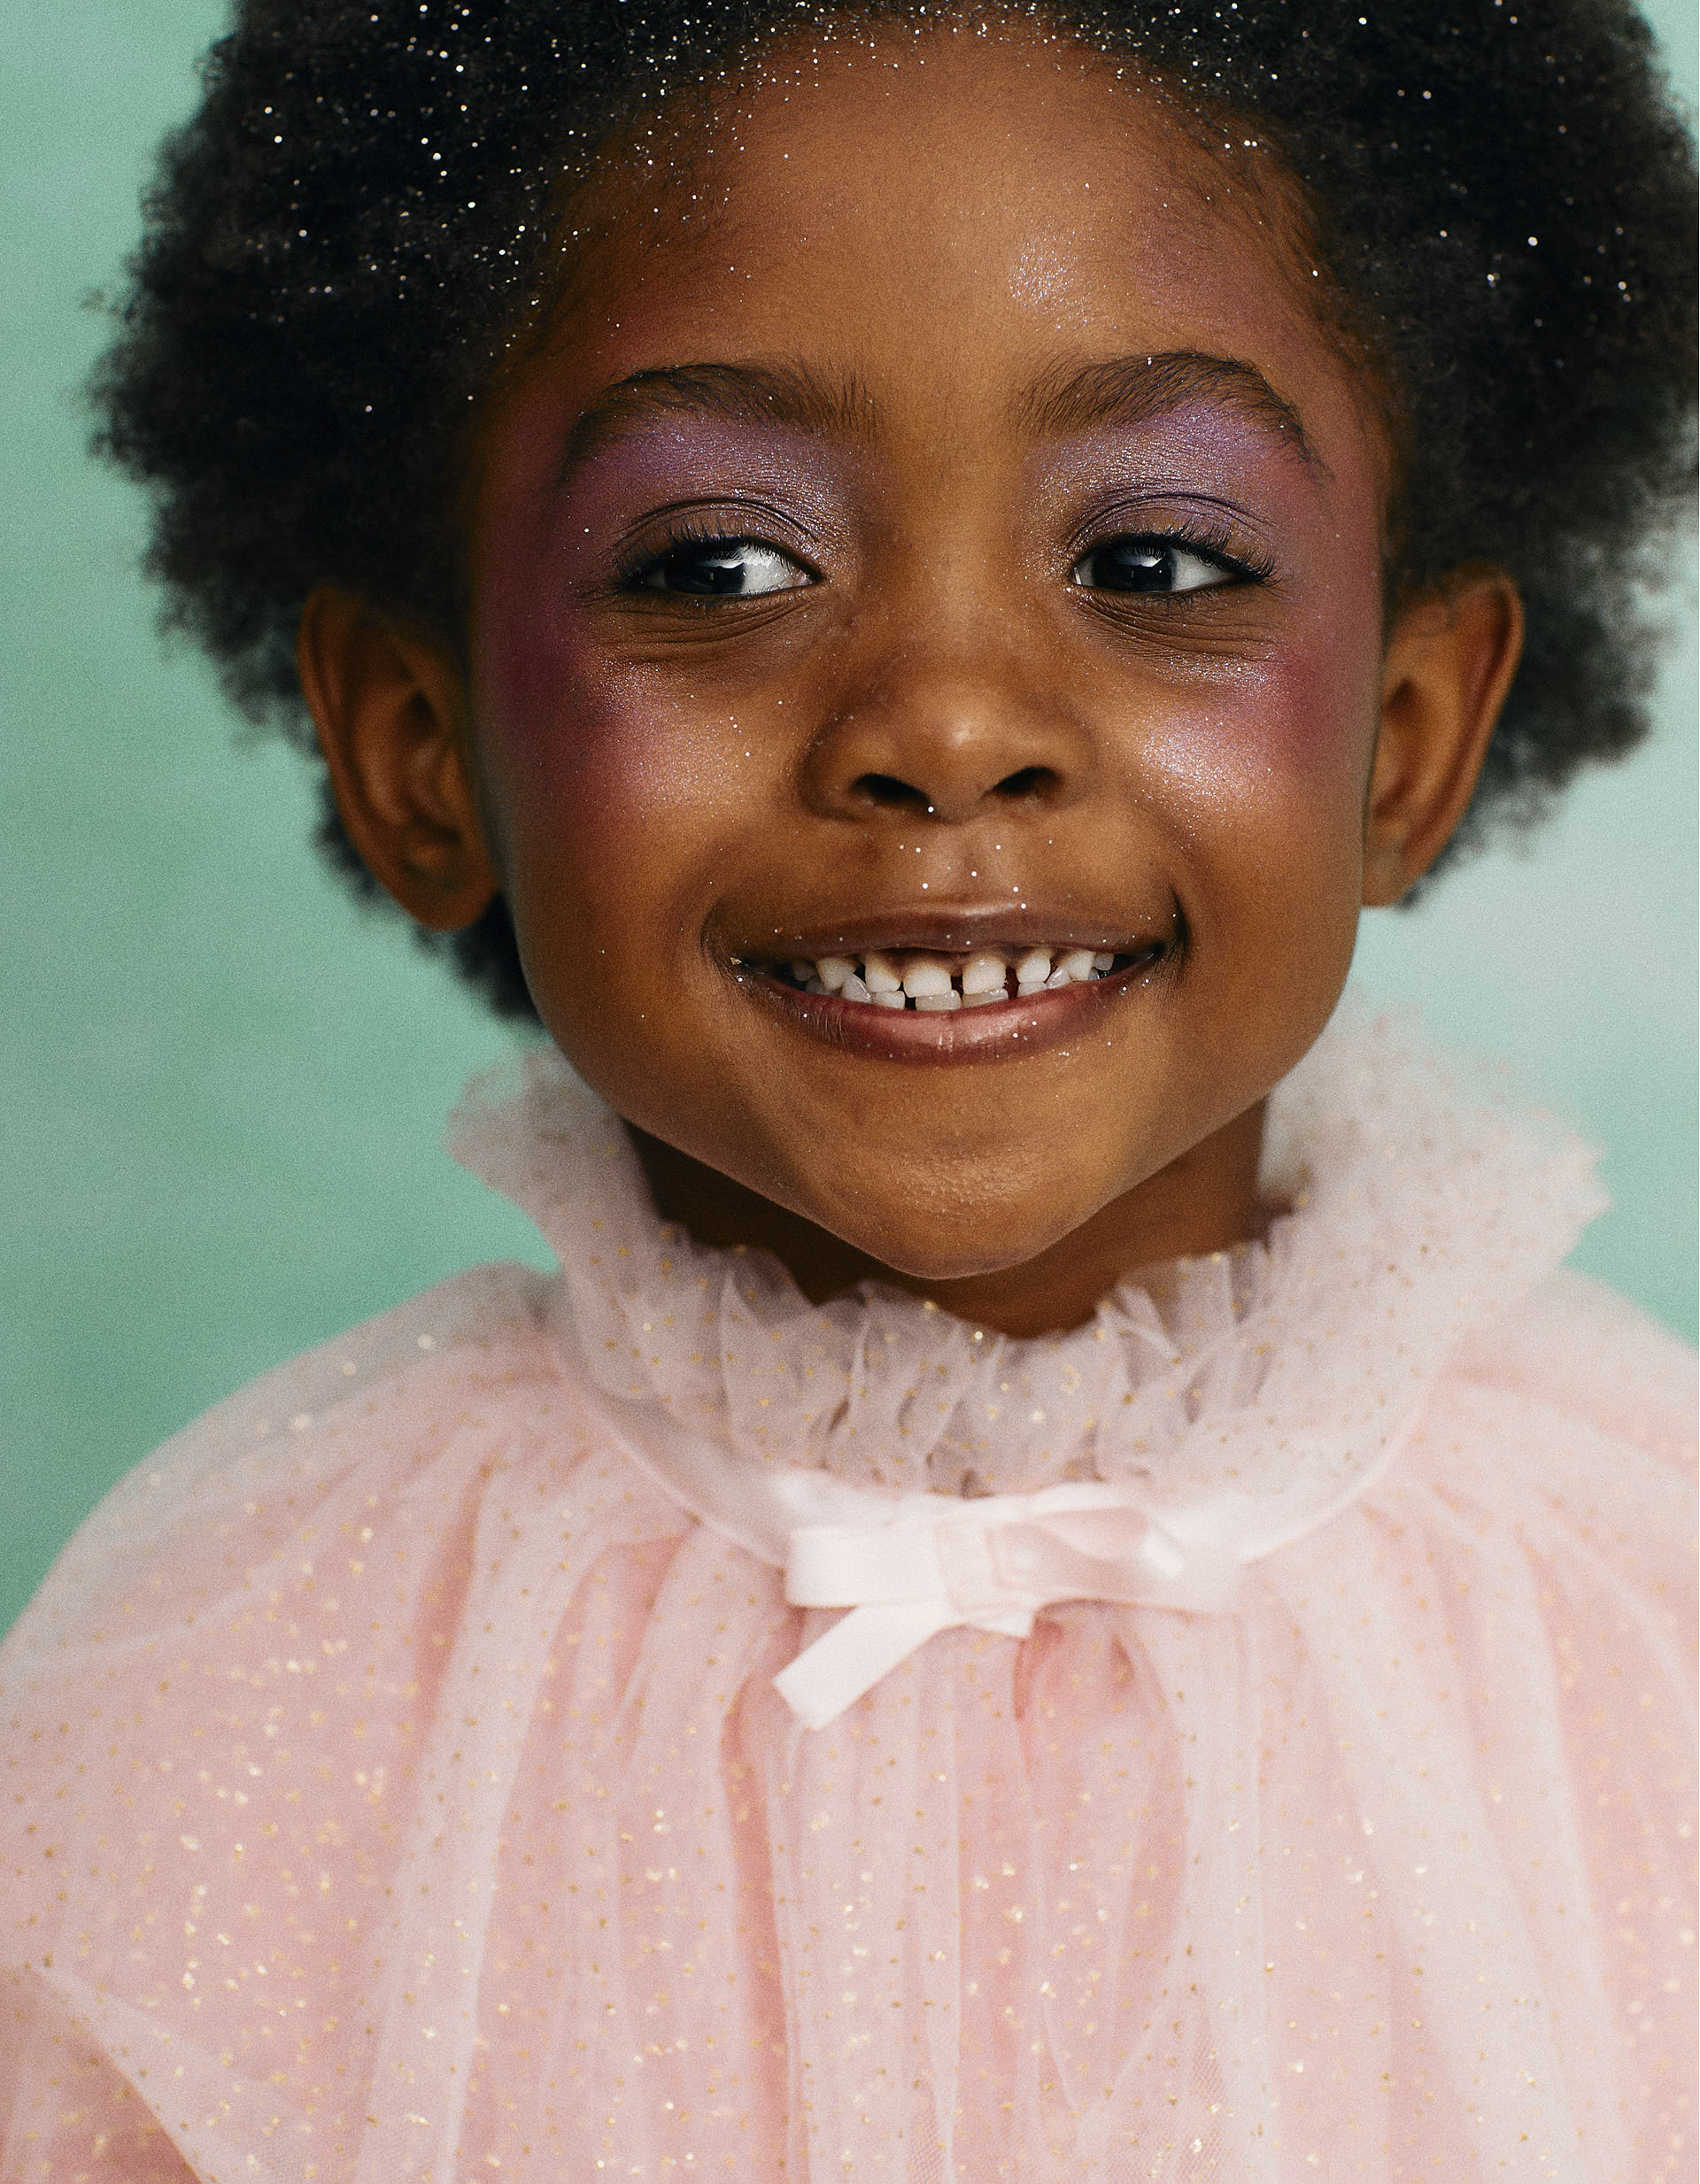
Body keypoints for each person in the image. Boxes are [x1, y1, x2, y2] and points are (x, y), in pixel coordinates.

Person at [3, 1, 1694, 2176]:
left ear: (1406, 732)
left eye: (1154, 560)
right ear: (419, 744)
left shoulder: (1650, 1625)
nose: (949, 722)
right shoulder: (216, 1711)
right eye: (720, 564)